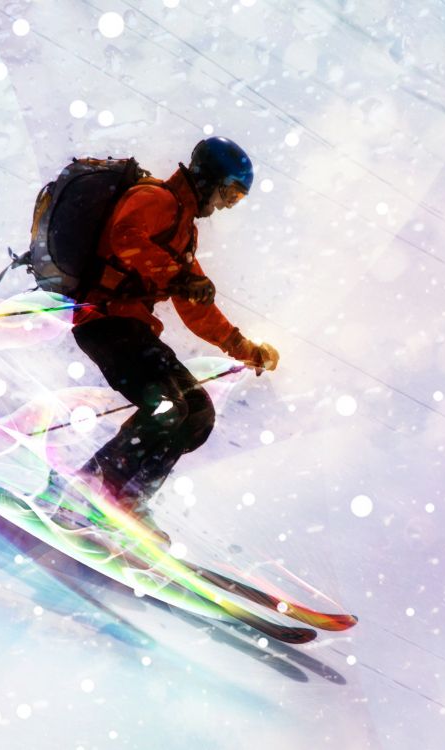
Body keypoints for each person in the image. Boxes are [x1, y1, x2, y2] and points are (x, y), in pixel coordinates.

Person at [57, 137, 279, 537]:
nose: (229, 204)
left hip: (134, 329)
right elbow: (126, 238)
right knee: (167, 407)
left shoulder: (185, 231)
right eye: (230, 192)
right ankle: (85, 492)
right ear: (208, 179)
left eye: (238, 198)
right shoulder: (156, 199)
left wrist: (243, 348)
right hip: (104, 322)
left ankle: (129, 502)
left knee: (196, 414)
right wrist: (178, 276)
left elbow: (195, 305)